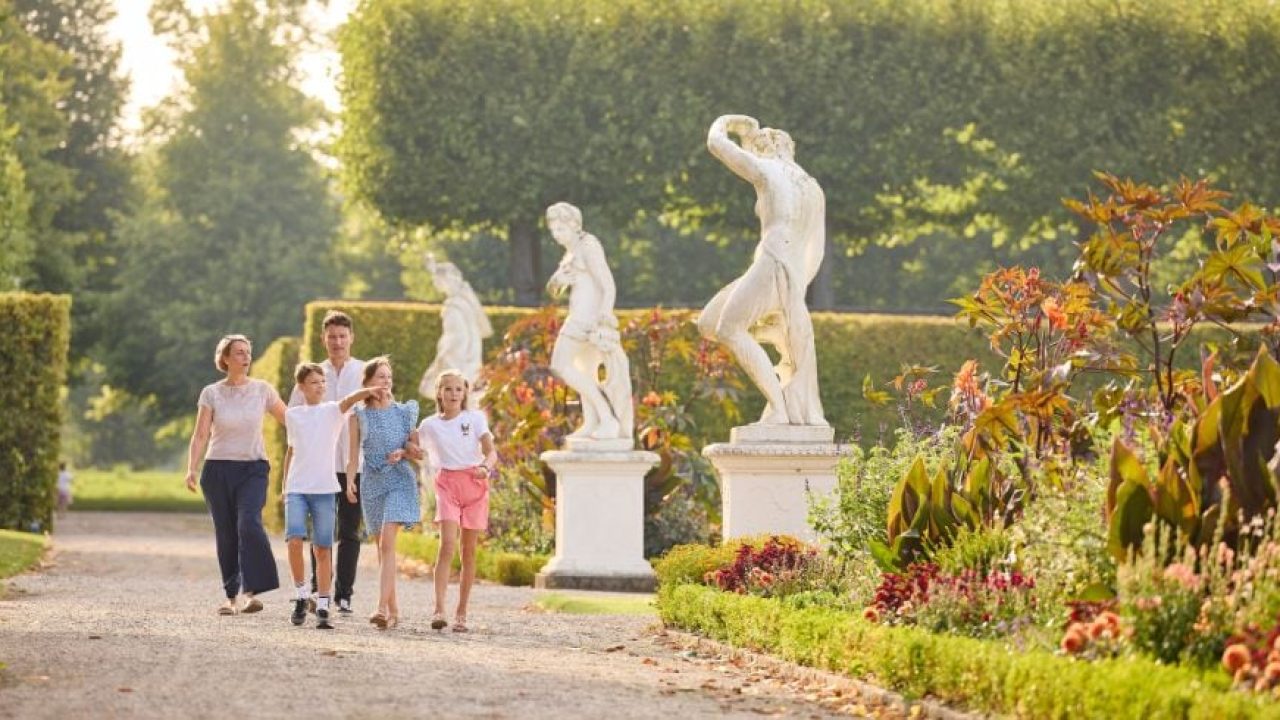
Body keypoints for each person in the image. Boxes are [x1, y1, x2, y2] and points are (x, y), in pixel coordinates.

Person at [697, 114, 828, 427]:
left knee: (727, 328)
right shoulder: (812, 187)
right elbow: (817, 250)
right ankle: (777, 346)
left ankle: (780, 409)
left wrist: (726, 121)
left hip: (773, 261)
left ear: (766, 146)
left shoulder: (768, 171)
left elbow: (716, 143)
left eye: (755, 146)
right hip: (791, 272)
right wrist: (795, 290)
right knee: (708, 322)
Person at [185, 334, 285, 615]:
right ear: (225, 358)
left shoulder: (263, 390)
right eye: (239, 352)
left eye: (248, 352)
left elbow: (289, 418)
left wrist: (321, 419)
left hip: (253, 468)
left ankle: (254, 591)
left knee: (248, 523)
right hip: (217, 470)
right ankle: (231, 597)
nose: (246, 357)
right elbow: (201, 433)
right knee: (227, 533)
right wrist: (191, 468)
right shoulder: (211, 393)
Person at [282, 362, 387, 629]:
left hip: (325, 489)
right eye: (314, 382)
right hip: (297, 488)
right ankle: (302, 594)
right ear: (302, 386)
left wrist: (372, 389)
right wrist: (284, 487)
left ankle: (325, 603)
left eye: (322, 382)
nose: (320, 386)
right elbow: (291, 451)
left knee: (322, 548)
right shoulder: (292, 415)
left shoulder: (332, 411)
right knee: (294, 540)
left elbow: (350, 399)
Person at [287, 310, 366, 615]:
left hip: (352, 463)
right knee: (319, 530)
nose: (337, 342)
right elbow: (294, 417)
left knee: (349, 530)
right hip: (317, 465)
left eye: (342, 336)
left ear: (351, 338)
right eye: (332, 336)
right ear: (324, 339)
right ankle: (315, 588)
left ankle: (343, 594)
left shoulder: (361, 371)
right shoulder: (311, 374)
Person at [417, 369, 498, 633]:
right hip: (448, 484)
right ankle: (439, 609)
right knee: (447, 546)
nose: (453, 394)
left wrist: (486, 467)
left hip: (475, 483)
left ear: (465, 393)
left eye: (458, 389)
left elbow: (490, 452)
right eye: (448, 389)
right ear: (439, 393)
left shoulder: (475, 418)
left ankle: (461, 611)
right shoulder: (429, 425)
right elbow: (413, 447)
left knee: (468, 551)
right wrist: (402, 452)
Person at [545, 202, 633, 442]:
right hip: (579, 316)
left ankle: (607, 416)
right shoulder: (571, 252)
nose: (556, 234)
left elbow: (607, 284)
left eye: (560, 228)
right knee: (586, 371)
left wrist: (605, 315)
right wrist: (556, 280)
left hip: (586, 319)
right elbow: (555, 290)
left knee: (560, 365)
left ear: (574, 225)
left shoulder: (588, 246)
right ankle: (594, 421)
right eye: (553, 230)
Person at [345, 357, 421, 630]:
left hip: (400, 480)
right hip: (372, 483)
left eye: (388, 377)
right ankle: (394, 610)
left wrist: (405, 451)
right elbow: (353, 456)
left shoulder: (405, 412)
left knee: (387, 543)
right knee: (381, 548)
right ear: (367, 384)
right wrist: (350, 481)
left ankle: (379, 608)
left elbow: (418, 451)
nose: (385, 382)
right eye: (380, 377)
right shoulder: (359, 415)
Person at [418, 254, 493, 406]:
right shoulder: (464, 303)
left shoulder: (453, 307)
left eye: (437, 281)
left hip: (458, 363)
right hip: (470, 363)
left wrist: (444, 360)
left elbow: (456, 339)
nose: (436, 285)